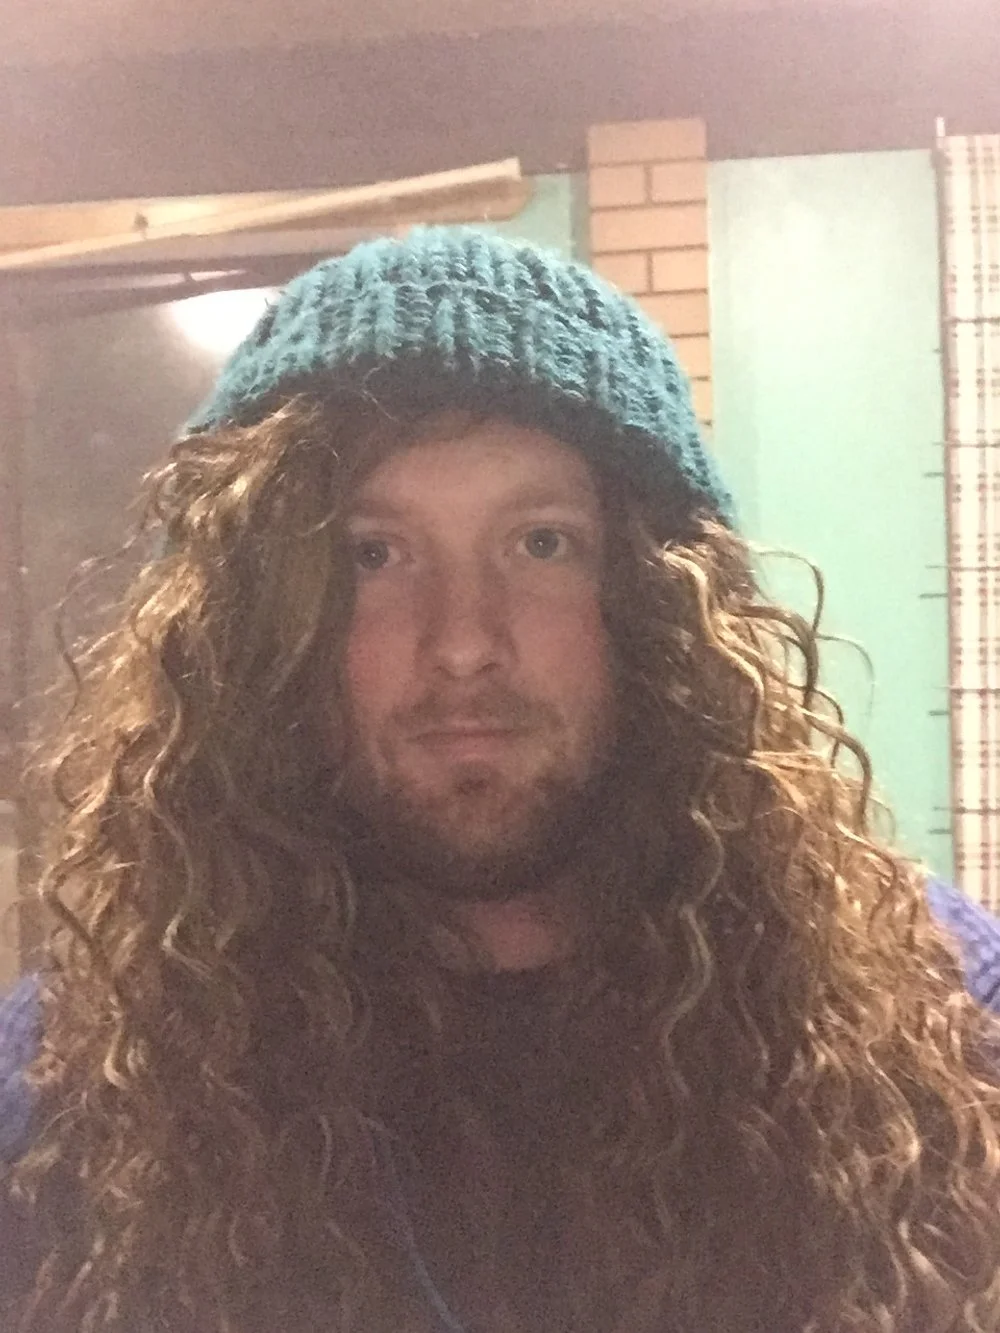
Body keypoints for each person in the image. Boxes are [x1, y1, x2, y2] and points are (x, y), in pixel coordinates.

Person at [1, 225, 1000, 1333]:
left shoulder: (951, 1032)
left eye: (540, 543)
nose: (464, 642)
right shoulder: (72, 1099)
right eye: (370, 555)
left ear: (661, 609)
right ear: (253, 630)